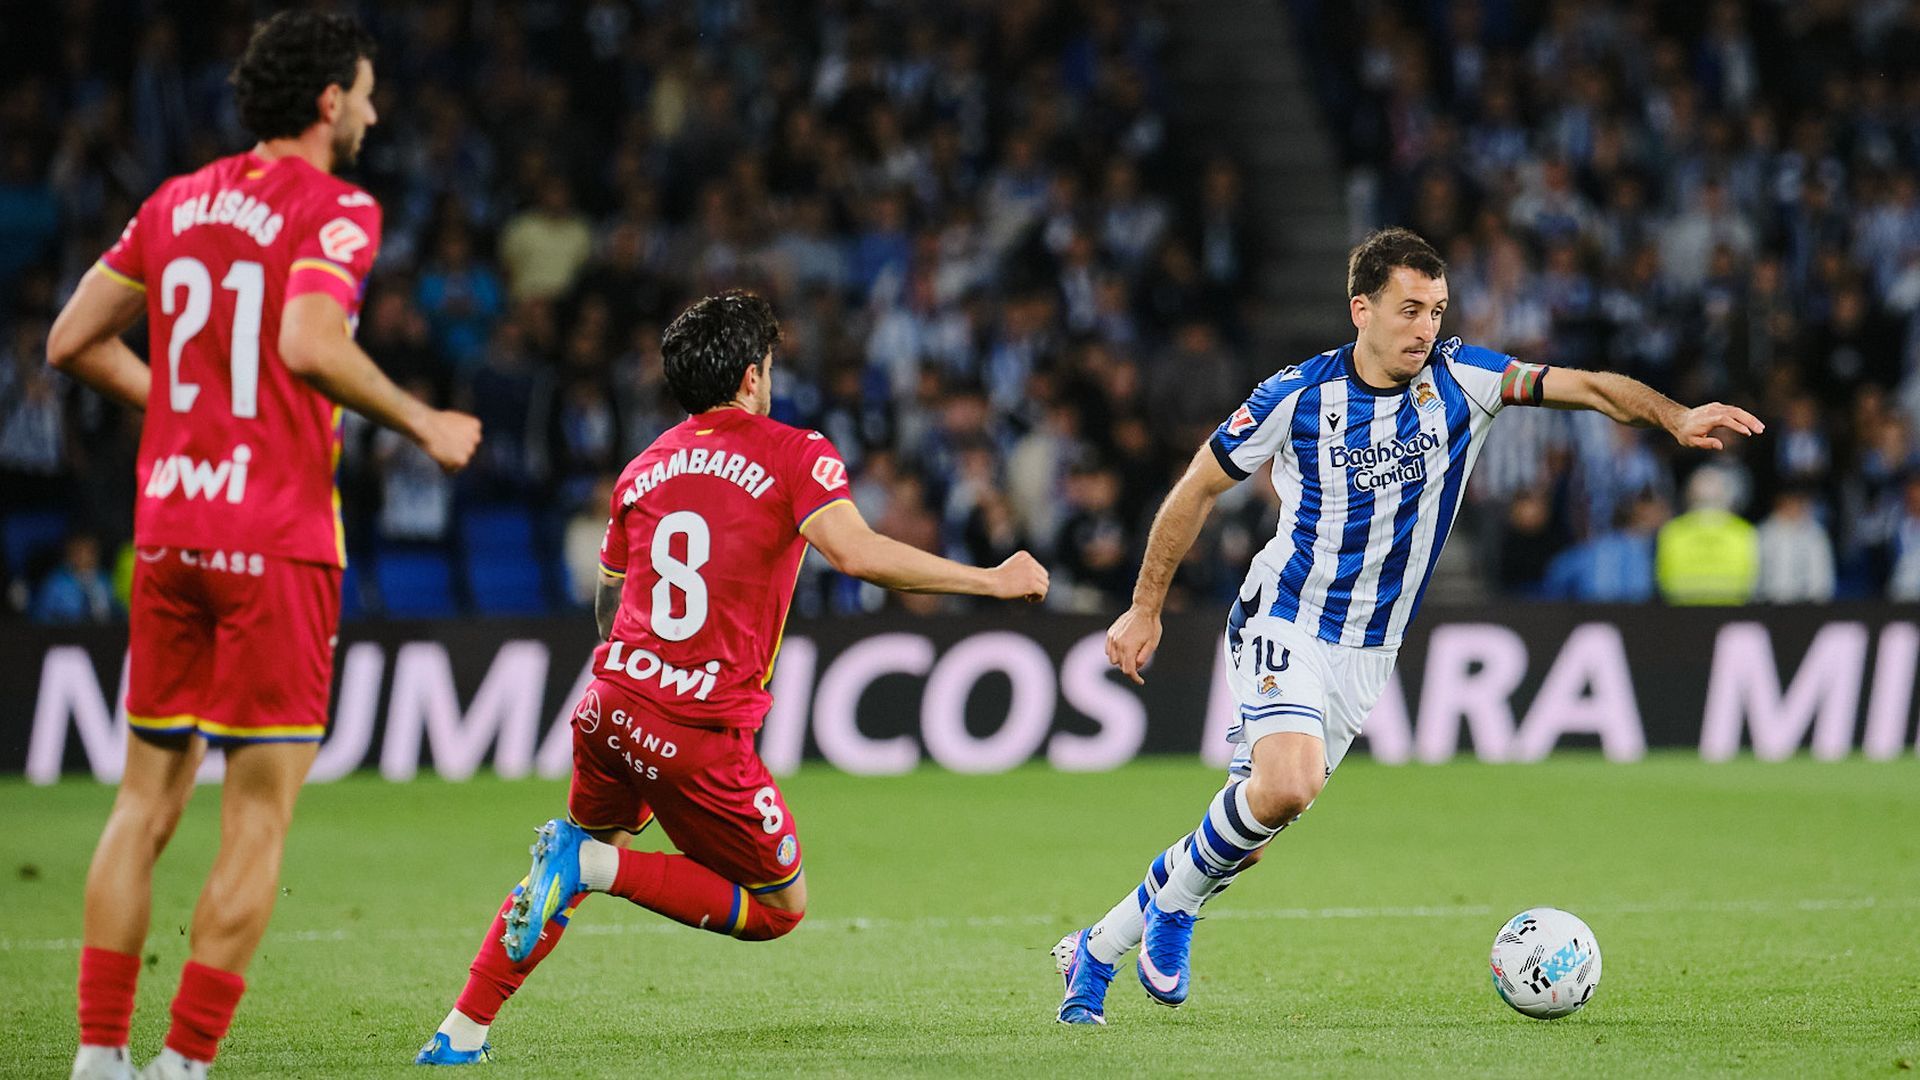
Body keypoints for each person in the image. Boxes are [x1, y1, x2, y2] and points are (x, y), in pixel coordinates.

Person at [1053, 227, 1762, 1025]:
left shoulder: (1468, 378)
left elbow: (1590, 387)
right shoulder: (1297, 395)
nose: (1426, 327)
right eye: (1410, 309)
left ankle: (1098, 949)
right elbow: (1195, 489)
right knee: (1286, 786)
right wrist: (1146, 605)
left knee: (1249, 828)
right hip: (1285, 614)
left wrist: (1672, 416)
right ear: (1363, 309)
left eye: (1437, 310)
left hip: (1369, 653)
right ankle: (1176, 915)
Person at [414, 291, 1048, 1065]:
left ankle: (460, 1031)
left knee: (570, 852)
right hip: (699, 732)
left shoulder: (642, 468)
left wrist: (635, 681)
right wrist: (991, 579)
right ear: (752, 377)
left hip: (610, 704)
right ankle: (593, 866)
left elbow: (610, 596)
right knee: (779, 907)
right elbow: (857, 554)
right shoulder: (795, 451)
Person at [46, 13, 481, 1079]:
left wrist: (185, 412)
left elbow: (71, 341)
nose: (375, 111)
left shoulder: (175, 200)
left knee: (142, 801)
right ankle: (182, 1065)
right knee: (256, 814)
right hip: (276, 541)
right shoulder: (337, 207)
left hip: (171, 532)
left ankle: (100, 1059)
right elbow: (307, 341)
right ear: (329, 102)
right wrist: (422, 420)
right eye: (367, 92)